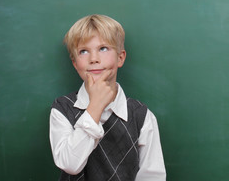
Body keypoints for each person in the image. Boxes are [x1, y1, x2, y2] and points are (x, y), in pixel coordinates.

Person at [49, 14, 166, 181]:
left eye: (103, 49)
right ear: (75, 64)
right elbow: (70, 165)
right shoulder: (62, 109)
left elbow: (152, 176)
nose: (94, 59)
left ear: (120, 58)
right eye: (83, 51)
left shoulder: (141, 116)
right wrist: (95, 107)